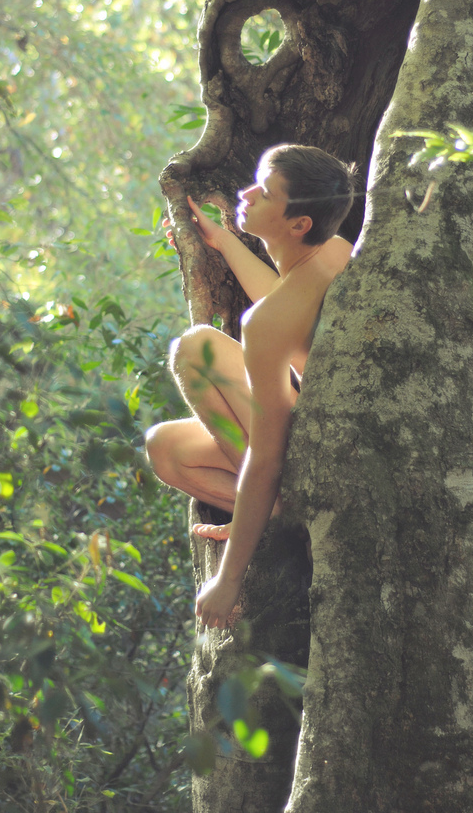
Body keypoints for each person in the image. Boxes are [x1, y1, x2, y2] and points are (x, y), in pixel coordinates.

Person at [145, 144, 356, 630]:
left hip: (307, 461)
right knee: (165, 449)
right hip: (316, 444)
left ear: (299, 224)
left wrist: (228, 580)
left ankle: (271, 518)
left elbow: (265, 459)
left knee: (195, 348)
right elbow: (286, 301)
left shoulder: (266, 327)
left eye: (266, 193)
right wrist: (223, 241)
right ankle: (269, 513)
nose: (247, 193)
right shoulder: (335, 250)